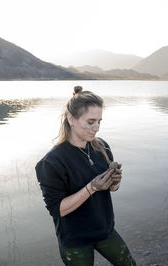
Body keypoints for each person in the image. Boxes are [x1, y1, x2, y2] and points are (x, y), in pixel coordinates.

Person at [35, 86, 136, 266]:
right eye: (90, 122)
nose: (96, 128)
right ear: (71, 119)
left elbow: (111, 189)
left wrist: (115, 183)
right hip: (75, 239)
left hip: (104, 229)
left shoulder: (101, 147)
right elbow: (56, 210)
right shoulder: (51, 163)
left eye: (99, 121)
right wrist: (92, 188)